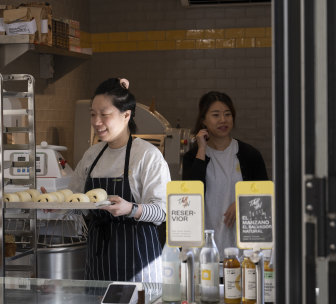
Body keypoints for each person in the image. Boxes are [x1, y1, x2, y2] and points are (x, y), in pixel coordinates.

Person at [70, 78, 171, 282]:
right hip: (99, 261)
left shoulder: (146, 155)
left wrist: (131, 209)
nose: (96, 122)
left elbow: (162, 211)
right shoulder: (92, 155)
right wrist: (56, 205)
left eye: (104, 115)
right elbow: (76, 200)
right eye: (92, 114)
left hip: (138, 263)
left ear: (126, 115)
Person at [182, 91, 268, 251]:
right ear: (203, 120)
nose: (223, 120)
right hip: (204, 247)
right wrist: (201, 149)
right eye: (216, 115)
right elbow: (189, 197)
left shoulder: (250, 155)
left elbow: (265, 196)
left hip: (244, 246)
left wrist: (243, 203)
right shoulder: (192, 157)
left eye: (227, 114)